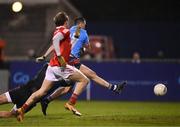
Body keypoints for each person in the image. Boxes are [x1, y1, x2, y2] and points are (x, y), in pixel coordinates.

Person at [37, 17, 127, 116]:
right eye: (84, 24)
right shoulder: (83, 32)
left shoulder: (67, 30)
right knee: (91, 75)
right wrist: (83, 49)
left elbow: (55, 43)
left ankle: (46, 100)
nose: (85, 26)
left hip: (64, 59)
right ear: (81, 24)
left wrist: (45, 55)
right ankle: (113, 88)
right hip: (72, 60)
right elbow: (89, 48)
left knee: (67, 88)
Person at [15, 12, 89, 122]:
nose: (68, 22)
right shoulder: (64, 30)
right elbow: (55, 41)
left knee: (42, 92)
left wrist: (77, 34)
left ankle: (22, 109)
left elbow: (66, 44)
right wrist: (59, 55)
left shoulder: (58, 30)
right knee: (84, 80)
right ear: (65, 22)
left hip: (52, 66)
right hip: (60, 66)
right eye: (67, 20)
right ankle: (70, 103)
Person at [0, 63, 73, 118]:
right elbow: (66, 89)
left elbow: (66, 89)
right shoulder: (51, 67)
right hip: (24, 91)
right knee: (10, 113)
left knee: (11, 114)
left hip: (29, 99)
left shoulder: (51, 67)